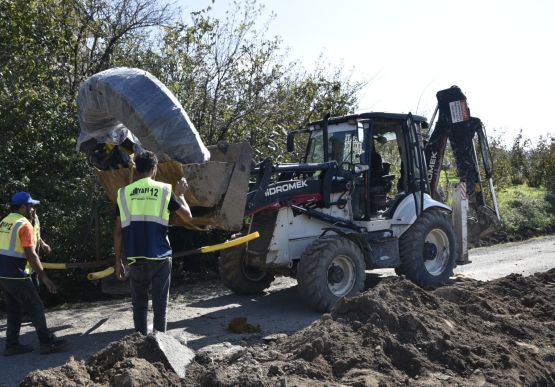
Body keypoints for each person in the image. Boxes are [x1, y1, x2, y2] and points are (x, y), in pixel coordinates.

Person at [114, 151, 193, 335]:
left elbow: (118, 233)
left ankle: (140, 347)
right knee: (160, 306)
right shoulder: (164, 190)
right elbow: (188, 217)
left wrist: (118, 262)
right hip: (160, 258)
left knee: (139, 306)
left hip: (135, 258)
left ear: (137, 168)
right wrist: (180, 195)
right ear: (154, 169)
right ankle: (160, 348)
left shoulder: (123, 193)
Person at [0, 192, 70, 356]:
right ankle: (47, 343)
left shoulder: (4, 222)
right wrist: (45, 277)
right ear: (23, 207)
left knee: (14, 309)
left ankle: (12, 345)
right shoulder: (24, 225)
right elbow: (31, 255)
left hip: (3, 275)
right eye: (31, 206)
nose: (34, 209)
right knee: (36, 307)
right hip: (16, 275)